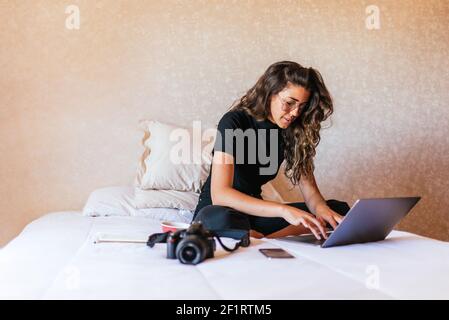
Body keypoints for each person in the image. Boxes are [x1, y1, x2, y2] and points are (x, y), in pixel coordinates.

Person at [192, 61, 350, 240]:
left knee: (339, 210)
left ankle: (260, 239)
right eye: (290, 103)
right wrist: (283, 210)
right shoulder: (234, 121)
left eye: (302, 106)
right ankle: (258, 237)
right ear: (270, 93)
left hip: (256, 215)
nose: (295, 113)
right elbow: (220, 195)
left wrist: (321, 209)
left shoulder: (294, 132)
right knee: (219, 219)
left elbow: (311, 193)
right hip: (220, 213)